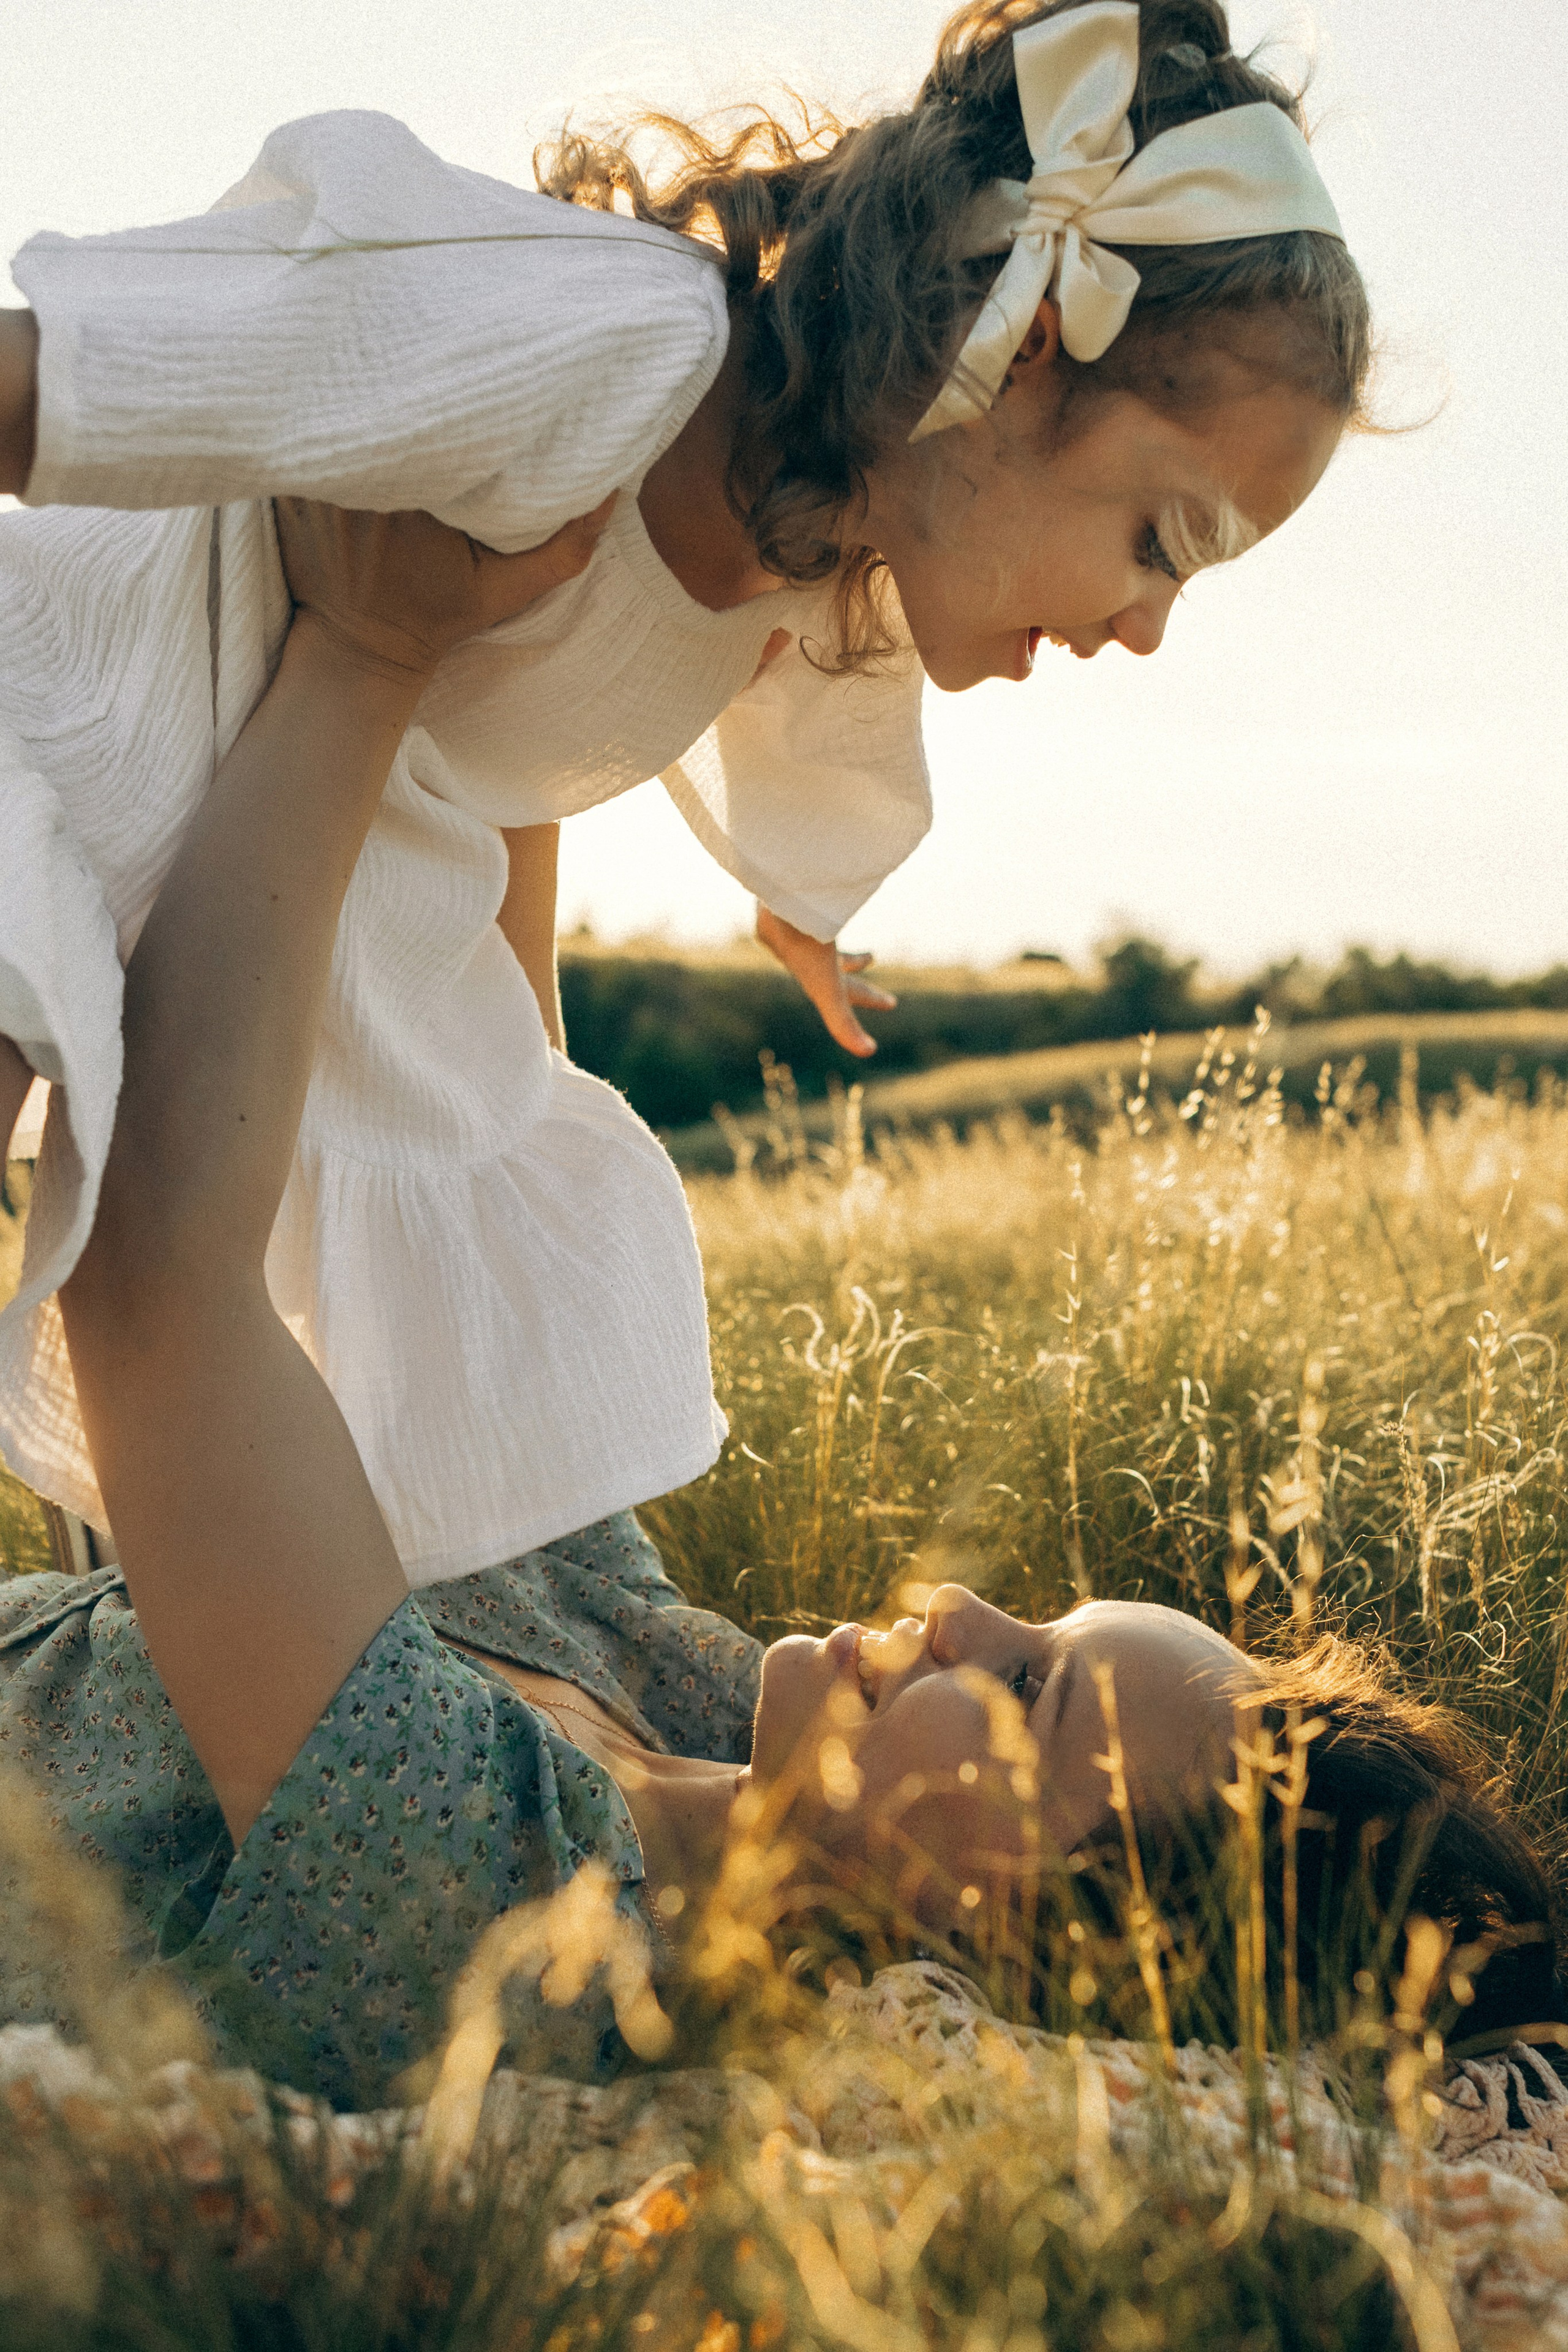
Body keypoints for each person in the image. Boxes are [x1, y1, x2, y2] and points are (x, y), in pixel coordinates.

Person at [0, 500, 1560, 2113]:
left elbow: (154, 1274)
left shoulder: (510, 1911)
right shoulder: (690, 1687)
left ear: (1012, 1925)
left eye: (1025, 1682)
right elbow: (489, 1132)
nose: (961, 1607)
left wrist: (374, 651)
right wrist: (556, 592)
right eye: (1039, 1623)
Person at [0, 0, 1367, 1588]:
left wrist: (803, 905)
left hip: (249, 847)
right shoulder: (616, 349)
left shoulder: (830, 565)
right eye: (1162, 541)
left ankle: (159, 1669)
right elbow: (136, 365)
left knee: (461, 1215)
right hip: (61, 705)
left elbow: (801, 739)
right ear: (1026, 351)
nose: (1146, 626)